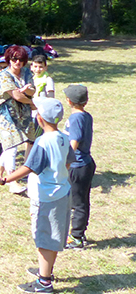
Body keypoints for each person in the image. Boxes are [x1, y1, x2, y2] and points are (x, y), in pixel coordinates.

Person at [0, 98, 75, 294]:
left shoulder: (42, 141)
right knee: (54, 236)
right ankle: (46, 269)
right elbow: (68, 163)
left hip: (46, 197)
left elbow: (28, 167)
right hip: (63, 192)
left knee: (44, 238)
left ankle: (44, 282)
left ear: (39, 119)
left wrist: (6, 179)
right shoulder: (64, 137)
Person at [0, 46, 36, 194]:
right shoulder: (3, 76)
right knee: (11, 146)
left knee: (13, 144)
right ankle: (13, 181)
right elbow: (16, 95)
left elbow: (32, 90)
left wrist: (27, 91)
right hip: (5, 115)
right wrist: (31, 102)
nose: (17, 62)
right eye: (14, 59)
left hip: (22, 115)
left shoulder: (26, 72)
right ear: (9, 59)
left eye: (21, 60)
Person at [62, 84, 95, 250]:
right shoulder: (86, 116)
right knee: (82, 200)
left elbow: (74, 141)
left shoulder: (75, 118)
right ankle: (80, 231)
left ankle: (76, 237)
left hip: (78, 165)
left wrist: (65, 162)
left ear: (68, 101)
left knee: (78, 203)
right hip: (86, 163)